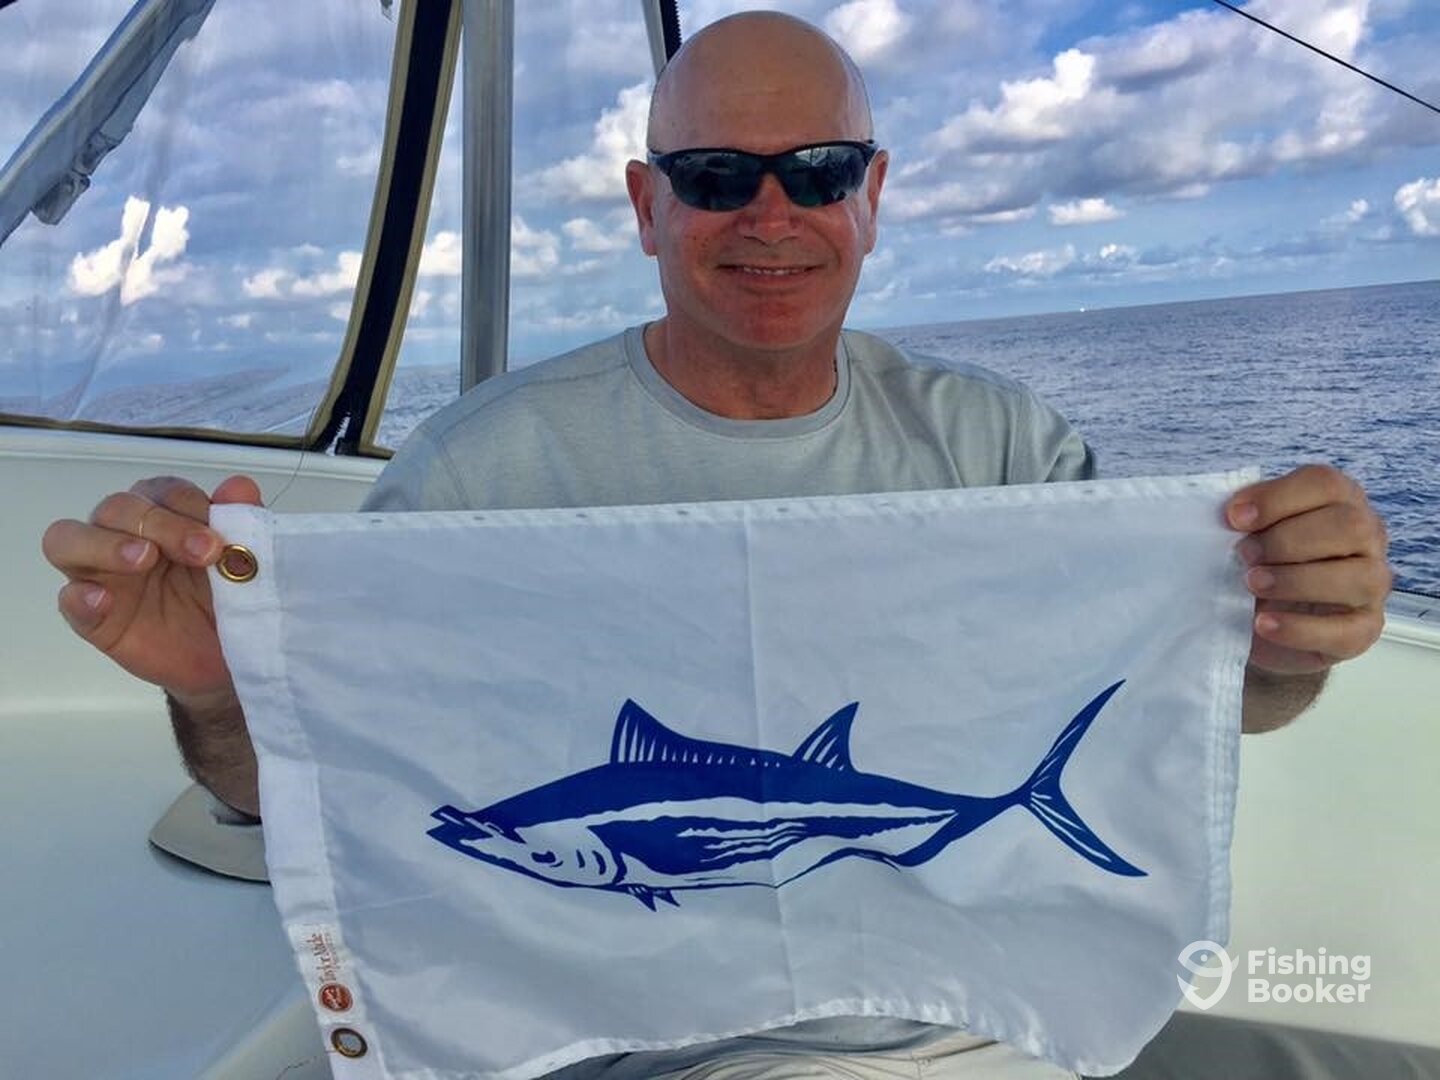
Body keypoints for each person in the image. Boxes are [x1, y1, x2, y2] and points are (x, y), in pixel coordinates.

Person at [42, 11, 1391, 1079]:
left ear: (872, 194)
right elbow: (332, 803)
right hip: (622, 1048)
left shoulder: (1003, 449)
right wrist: (219, 686)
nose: (770, 213)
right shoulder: (480, 474)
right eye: (716, 177)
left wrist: (1286, 640)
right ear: (647, 205)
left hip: (962, 1029)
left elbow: (1199, 704)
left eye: (819, 171)